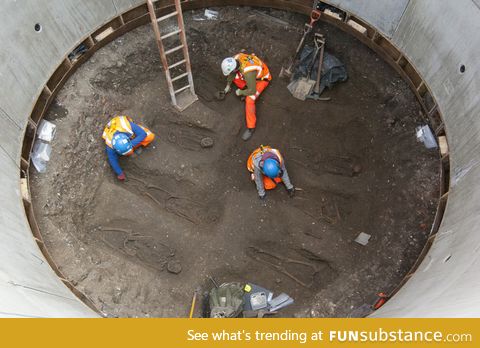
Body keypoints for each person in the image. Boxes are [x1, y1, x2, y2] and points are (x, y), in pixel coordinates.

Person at [221, 53, 272, 141]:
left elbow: (252, 90)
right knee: (236, 78)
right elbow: (232, 74)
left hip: (262, 79)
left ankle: (251, 127)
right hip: (251, 76)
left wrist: (240, 92)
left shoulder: (248, 73)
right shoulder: (235, 59)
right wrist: (228, 86)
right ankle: (245, 90)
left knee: (250, 100)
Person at [102, 115, 155, 181]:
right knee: (121, 153)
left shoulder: (126, 126)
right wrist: (120, 173)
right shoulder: (110, 146)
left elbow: (143, 134)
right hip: (121, 137)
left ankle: (131, 147)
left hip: (128, 131)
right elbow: (112, 160)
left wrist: (132, 144)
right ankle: (128, 149)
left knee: (150, 136)